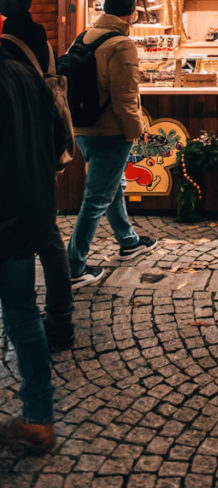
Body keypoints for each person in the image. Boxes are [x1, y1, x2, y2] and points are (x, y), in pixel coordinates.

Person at [0, 0, 74, 352]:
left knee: (24, 241)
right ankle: (60, 320)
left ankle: (23, 320)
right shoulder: (42, 42)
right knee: (48, 238)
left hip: (16, 153)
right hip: (43, 146)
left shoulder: (7, 48)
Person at [67, 0, 156, 288]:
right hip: (110, 130)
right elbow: (125, 97)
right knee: (96, 199)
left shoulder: (84, 36)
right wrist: (135, 132)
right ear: (131, 13)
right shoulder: (122, 44)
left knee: (112, 184)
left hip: (82, 127)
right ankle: (74, 266)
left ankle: (128, 241)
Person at [0, 39, 62, 451]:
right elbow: (54, 139)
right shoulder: (24, 72)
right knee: (23, 316)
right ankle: (39, 417)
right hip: (24, 213)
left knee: (22, 316)